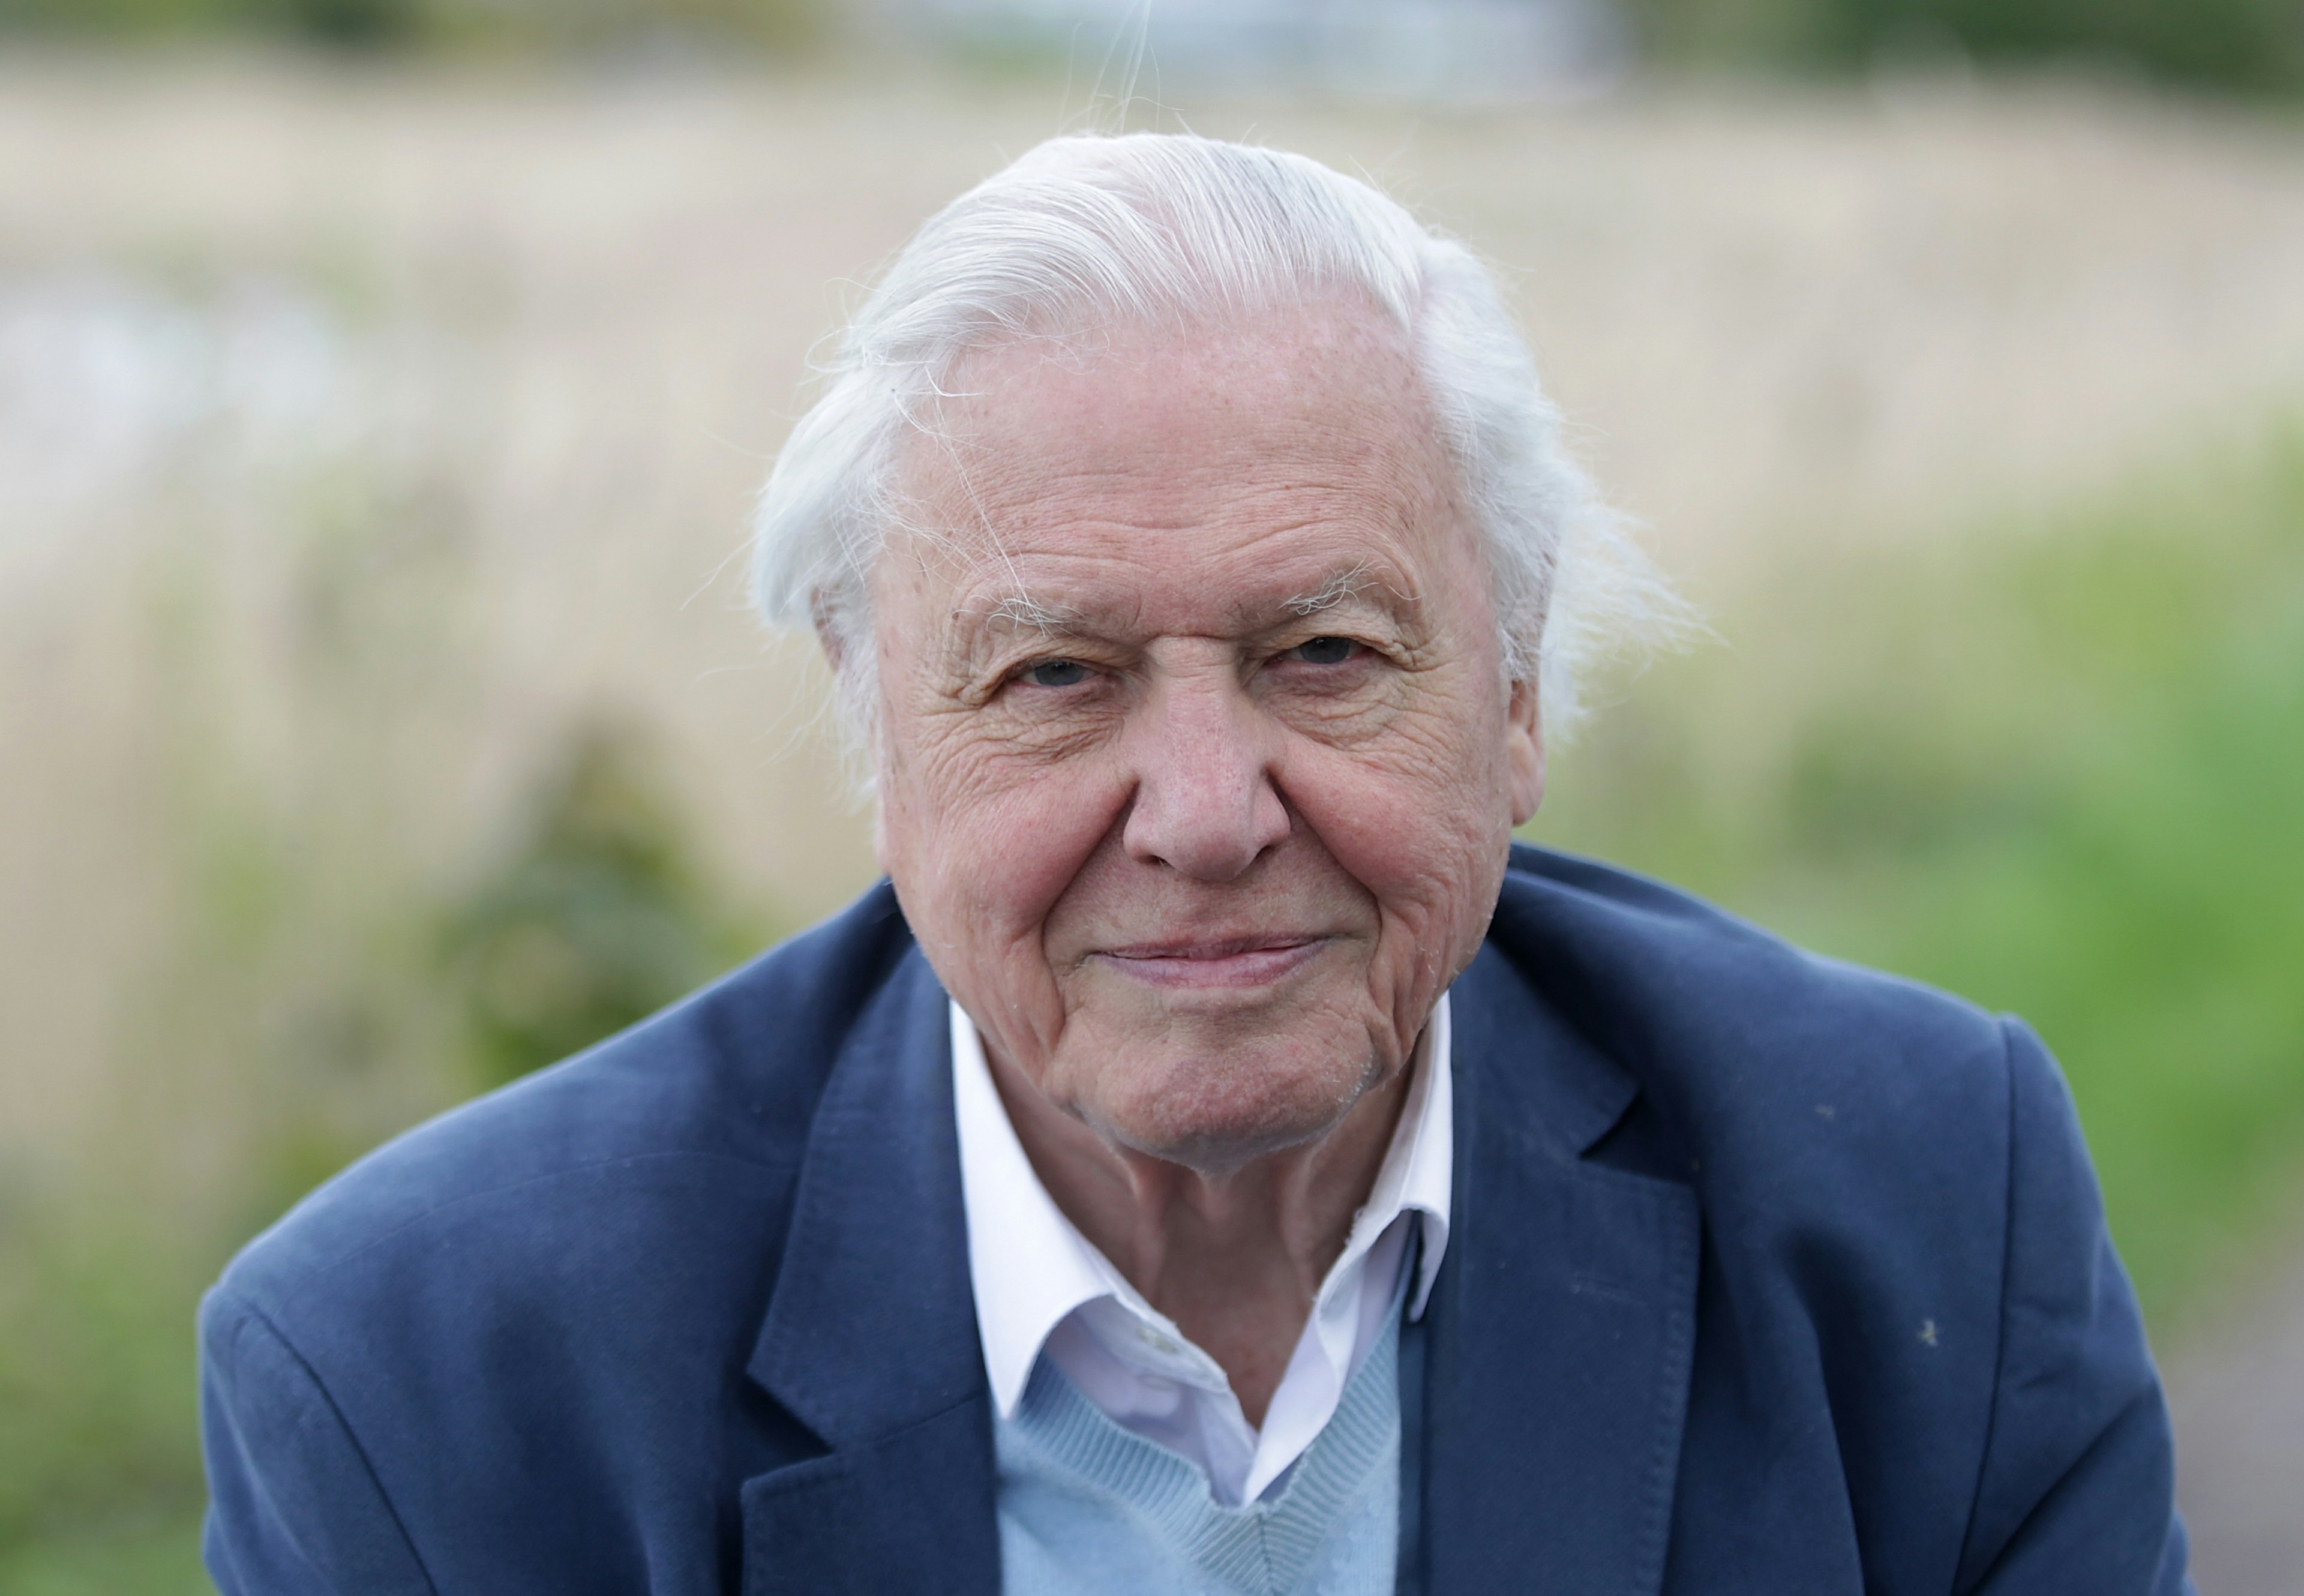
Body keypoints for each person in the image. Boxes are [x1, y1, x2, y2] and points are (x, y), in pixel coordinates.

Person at [198, 133, 2191, 1595]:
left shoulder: (1927, 1206)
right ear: (877, 729)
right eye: (1056, 675)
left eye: (1323, 653)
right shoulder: (426, 1375)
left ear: (1512, 695)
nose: (1209, 809)